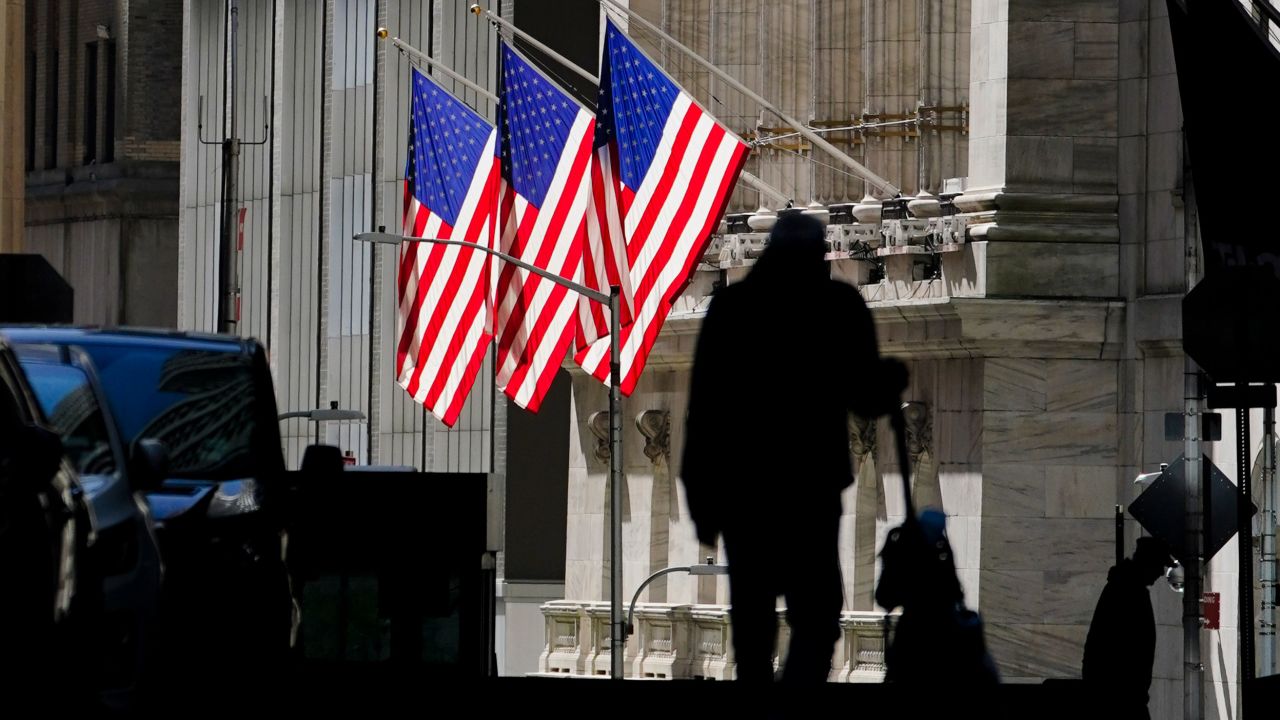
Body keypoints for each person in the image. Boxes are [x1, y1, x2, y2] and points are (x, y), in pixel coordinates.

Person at [680, 212, 907, 683]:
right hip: (806, 489)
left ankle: (764, 701)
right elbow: (866, 398)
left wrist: (702, 501)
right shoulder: (836, 307)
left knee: (756, 616)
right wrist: (888, 381)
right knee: (817, 612)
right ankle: (796, 703)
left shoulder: (733, 309)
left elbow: (703, 413)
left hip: (749, 492)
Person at [1082, 536, 1178, 719]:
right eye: (1159, 565)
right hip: (1120, 701)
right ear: (1148, 563)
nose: (1160, 572)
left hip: (1122, 699)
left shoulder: (1127, 589)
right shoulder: (1127, 592)